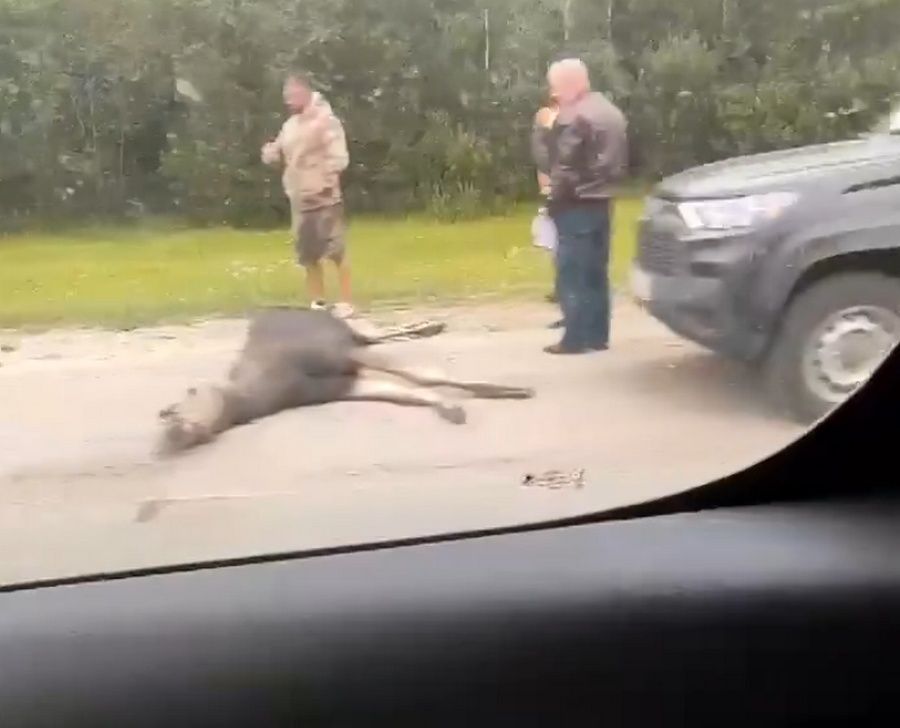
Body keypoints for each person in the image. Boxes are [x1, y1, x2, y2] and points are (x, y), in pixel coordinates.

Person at [544, 58, 628, 355]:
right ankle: (597, 335)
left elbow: (564, 165)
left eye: (555, 87)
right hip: (603, 200)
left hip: (575, 202)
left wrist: (553, 200)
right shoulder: (610, 111)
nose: (553, 94)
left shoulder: (575, 117)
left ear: (570, 85)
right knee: (596, 271)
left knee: (571, 271)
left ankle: (575, 339)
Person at [262, 72, 353, 318]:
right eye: (286, 95)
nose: (288, 100)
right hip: (300, 197)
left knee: (335, 250)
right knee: (308, 253)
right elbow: (279, 148)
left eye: (292, 94)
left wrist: (328, 178)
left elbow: (340, 155)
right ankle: (318, 302)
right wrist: (270, 152)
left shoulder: (325, 119)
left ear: (305, 91)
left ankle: (346, 302)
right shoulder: (290, 125)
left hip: (324, 195)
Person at [530, 93, 563, 327]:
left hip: (564, 191)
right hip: (557, 190)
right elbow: (542, 162)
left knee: (564, 245)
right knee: (558, 244)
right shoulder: (549, 128)